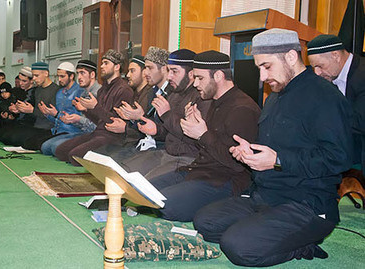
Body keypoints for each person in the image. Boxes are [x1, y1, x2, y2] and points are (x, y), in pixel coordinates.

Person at [194, 28, 353, 267]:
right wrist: (250, 152)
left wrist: (279, 161)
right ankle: (268, 230)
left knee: (237, 247)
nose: (261, 76)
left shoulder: (325, 96)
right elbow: (275, 149)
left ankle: (302, 247)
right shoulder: (276, 95)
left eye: (266, 66)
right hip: (267, 195)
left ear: (290, 56)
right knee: (205, 221)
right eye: (259, 68)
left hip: (306, 203)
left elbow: (339, 158)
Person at [141, 51, 260, 222]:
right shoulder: (212, 101)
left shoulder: (242, 109)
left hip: (222, 181)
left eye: (200, 78)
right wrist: (193, 127)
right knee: (144, 193)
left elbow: (236, 164)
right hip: (197, 171)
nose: (195, 84)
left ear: (218, 75)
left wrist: (202, 134)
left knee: (162, 205)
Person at [119, 49, 211, 180]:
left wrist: (167, 114)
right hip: (166, 152)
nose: (169, 77)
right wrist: (156, 130)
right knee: (124, 170)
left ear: (191, 74)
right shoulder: (174, 94)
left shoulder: (201, 98)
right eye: (169, 71)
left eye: (174, 71)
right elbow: (168, 132)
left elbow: (192, 137)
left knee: (146, 184)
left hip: (187, 158)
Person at [55, 49, 133, 165]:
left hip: (113, 137)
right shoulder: (103, 90)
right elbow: (99, 121)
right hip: (98, 133)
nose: (101, 66)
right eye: (102, 63)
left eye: (106, 63)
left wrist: (95, 106)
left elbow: (114, 122)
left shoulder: (124, 90)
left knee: (74, 156)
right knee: (60, 151)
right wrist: (86, 110)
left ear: (117, 67)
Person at [307, 34, 365, 176]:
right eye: (314, 67)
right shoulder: (327, 76)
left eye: (320, 66)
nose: (317, 73)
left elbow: (360, 122)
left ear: (335, 55)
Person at [95, 55, 153, 157]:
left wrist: (126, 127)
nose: (127, 75)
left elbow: (148, 130)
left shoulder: (150, 96)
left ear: (144, 72)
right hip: (126, 141)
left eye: (132, 71)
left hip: (140, 145)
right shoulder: (134, 93)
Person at [43, 60, 101, 157]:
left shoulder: (98, 93)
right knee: (46, 147)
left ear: (92, 75)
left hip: (93, 135)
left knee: (56, 148)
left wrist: (77, 119)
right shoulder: (83, 94)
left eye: (83, 73)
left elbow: (97, 125)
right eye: (78, 73)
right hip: (80, 131)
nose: (80, 77)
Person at [38, 62, 85, 154]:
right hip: (58, 131)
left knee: (55, 148)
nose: (59, 79)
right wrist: (47, 113)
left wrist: (56, 114)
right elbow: (57, 117)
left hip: (73, 132)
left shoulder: (80, 91)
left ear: (71, 76)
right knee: (44, 147)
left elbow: (78, 119)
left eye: (62, 76)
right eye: (58, 76)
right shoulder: (60, 93)